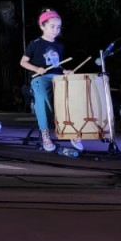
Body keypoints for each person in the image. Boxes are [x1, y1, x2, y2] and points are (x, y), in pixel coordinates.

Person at [19, 8, 82, 153]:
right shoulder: (35, 43)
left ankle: (72, 130)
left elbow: (57, 67)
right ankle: (45, 133)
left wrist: (66, 71)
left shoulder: (59, 46)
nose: (55, 30)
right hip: (40, 78)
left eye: (58, 27)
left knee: (72, 95)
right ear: (42, 26)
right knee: (41, 98)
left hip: (56, 77)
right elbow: (23, 62)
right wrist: (36, 69)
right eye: (52, 26)